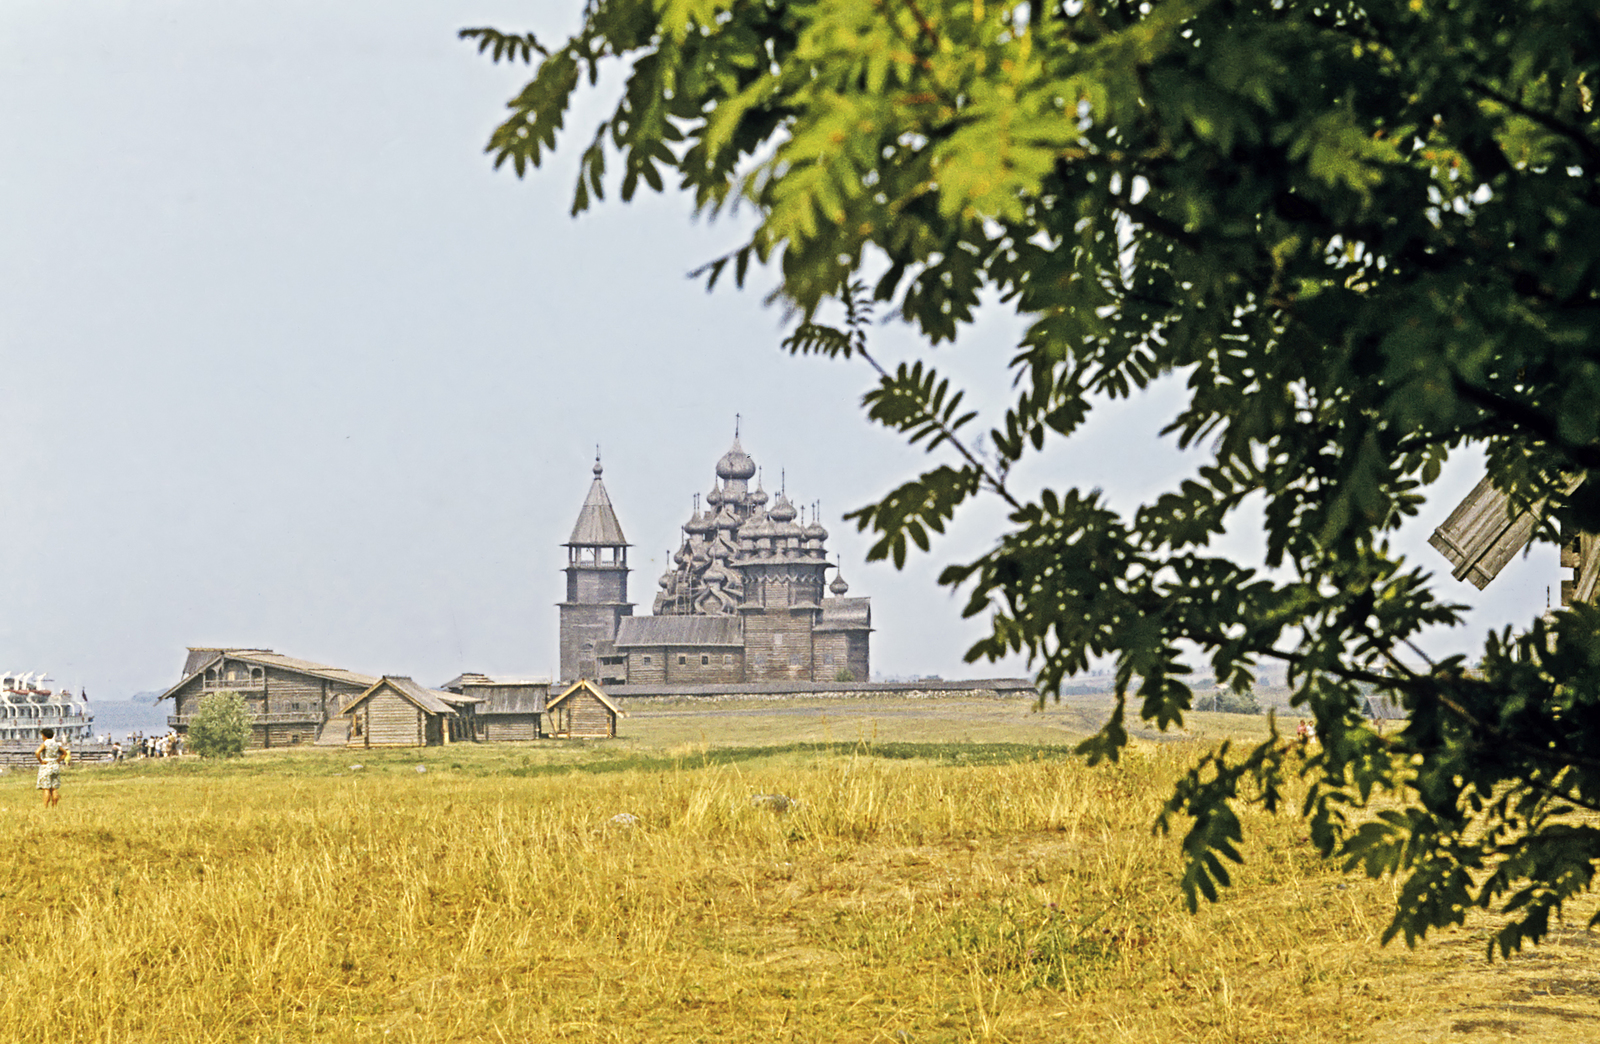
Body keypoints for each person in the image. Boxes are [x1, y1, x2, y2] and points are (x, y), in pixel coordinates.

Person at [35, 727, 67, 808]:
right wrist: (59, 760)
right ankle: (54, 806)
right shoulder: (56, 744)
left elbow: (37, 752)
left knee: (46, 788)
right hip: (55, 765)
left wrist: (41, 760)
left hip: (46, 765)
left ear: (44, 735)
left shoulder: (45, 743)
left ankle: (45, 806)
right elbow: (64, 752)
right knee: (54, 788)